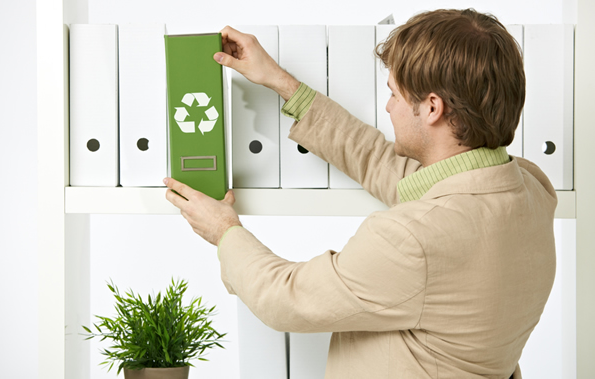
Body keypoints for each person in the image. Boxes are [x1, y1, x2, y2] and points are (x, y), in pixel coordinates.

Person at [163, 8, 556, 379]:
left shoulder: (416, 237)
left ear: (432, 108)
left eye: (395, 95)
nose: (387, 108)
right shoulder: (528, 190)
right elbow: (380, 164)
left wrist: (224, 231)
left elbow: (288, 299)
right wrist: (282, 83)